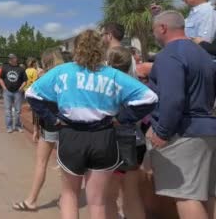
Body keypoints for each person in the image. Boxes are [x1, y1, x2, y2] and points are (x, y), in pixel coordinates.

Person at [26, 30, 158, 219]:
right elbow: (149, 98)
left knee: (69, 195)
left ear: (76, 49)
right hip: (103, 136)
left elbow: (32, 94)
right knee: (97, 201)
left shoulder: (62, 72)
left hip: (71, 135)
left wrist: (52, 119)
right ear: (101, 48)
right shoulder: (111, 75)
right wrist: (122, 118)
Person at [146, 11, 216, 219]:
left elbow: (173, 98)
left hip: (184, 133)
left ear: (163, 28)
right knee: (209, 194)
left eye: (154, 30)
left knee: (186, 197)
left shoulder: (169, 55)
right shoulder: (202, 53)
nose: (154, 35)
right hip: (207, 129)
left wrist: (162, 132)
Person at [13, 48, 64, 212]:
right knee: (67, 165)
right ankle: (66, 197)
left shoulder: (46, 77)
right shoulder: (67, 76)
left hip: (51, 123)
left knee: (41, 163)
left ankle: (32, 200)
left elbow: (33, 98)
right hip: (67, 123)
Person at [106, 46, 148, 219]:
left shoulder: (106, 87)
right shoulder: (136, 86)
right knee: (132, 194)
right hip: (136, 143)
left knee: (108, 196)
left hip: (114, 146)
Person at [152, 0, 216, 42]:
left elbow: (204, 42)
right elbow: (175, 27)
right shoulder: (196, 13)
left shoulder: (207, 12)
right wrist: (160, 14)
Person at [0, 53, 27, 133]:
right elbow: (0, 79)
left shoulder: (21, 69)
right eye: (10, 58)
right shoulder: (5, 67)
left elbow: (25, 80)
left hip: (17, 92)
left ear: (15, 59)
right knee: (8, 110)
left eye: (12, 58)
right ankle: (9, 127)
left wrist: (20, 88)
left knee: (18, 110)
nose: (10, 60)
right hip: (7, 92)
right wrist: (4, 88)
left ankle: (17, 126)